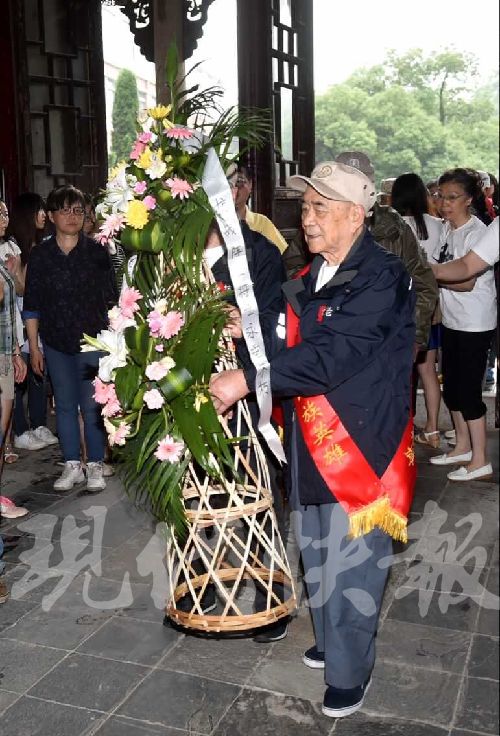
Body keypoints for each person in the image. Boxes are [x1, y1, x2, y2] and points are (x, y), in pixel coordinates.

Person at [210, 162, 416, 719]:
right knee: (318, 548)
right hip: (311, 440)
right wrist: (243, 326)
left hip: (360, 445)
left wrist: (247, 380)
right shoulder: (310, 274)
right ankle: (330, 643)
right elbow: (282, 327)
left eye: (320, 208)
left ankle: (351, 674)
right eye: (304, 208)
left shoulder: (382, 276)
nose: (307, 219)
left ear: (355, 215)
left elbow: (334, 352)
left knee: (354, 561)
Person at [23, 185, 118, 492]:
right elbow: (32, 305)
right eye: (65, 210)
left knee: (91, 405)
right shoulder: (41, 256)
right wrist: (34, 346)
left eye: (78, 210)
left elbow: (111, 300)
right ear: (51, 216)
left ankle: (95, 466)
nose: (72, 216)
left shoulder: (96, 252)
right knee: (64, 404)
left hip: (92, 341)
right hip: (55, 341)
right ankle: (71, 464)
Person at [429, 168, 496, 481]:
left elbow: (466, 282)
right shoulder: (447, 228)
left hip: (475, 322)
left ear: (470, 199)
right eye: (441, 196)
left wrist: (428, 273)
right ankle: (463, 447)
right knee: (452, 387)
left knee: (468, 391)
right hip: (454, 320)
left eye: (452, 198)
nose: (444, 203)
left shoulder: (477, 232)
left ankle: (480, 459)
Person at [335, 152, 438, 356]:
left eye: (361, 181)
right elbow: (293, 277)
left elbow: (423, 283)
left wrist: (414, 336)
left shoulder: (394, 226)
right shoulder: (318, 225)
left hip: (387, 340)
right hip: (333, 341)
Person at [391, 173, 444, 448]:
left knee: (399, 371)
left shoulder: (392, 226)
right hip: (428, 305)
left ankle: (402, 428)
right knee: (428, 371)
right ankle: (433, 430)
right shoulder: (438, 225)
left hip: (400, 306)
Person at [6, 192, 58, 454]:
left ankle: (38, 424)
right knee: (19, 377)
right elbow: (22, 290)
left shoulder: (35, 246)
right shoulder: (13, 248)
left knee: (38, 373)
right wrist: (17, 274)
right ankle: (20, 430)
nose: (43, 215)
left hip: (37, 321)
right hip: (16, 323)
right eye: (38, 210)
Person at [0, 201, 29, 519]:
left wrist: (15, 352)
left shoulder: (8, 250)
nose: (3, 219)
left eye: (5, 213)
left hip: (5, 349)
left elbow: (10, 306)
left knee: (3, 423)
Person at [228, 164, 289, 254]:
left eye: (239, 181)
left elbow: (284, 256)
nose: (234, 188)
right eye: (228, 183)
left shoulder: (262, 223)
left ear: (250, 185)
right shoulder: (210, 225)